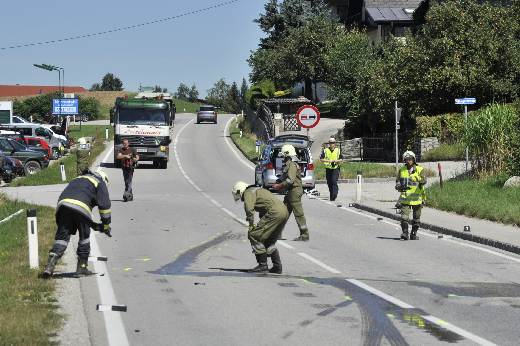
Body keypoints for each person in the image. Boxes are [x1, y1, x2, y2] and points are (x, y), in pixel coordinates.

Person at [42, 169, 112, 278]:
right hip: (81, 206)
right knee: (84, 237)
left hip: (63, 206)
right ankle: (82, 268)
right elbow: (105, 207)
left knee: (62, 238)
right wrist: (106, 225)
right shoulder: (99, 182)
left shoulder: (78, 179)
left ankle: (50, 265)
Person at [232, 181, 289, 273]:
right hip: (284, 212)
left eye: (240, 196)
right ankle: (277, 267)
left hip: (275, 213)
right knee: (268, 240)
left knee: (254, 235)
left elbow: (249, 209)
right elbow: (265, 206)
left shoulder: (248, 192)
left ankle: (262, 265)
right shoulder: (258, 190)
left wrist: (251, 224)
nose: (242, 199)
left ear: (240, 191)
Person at [273, 144, 310, 241]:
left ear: (287, 154)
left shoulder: (292, 164)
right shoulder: (288, 163)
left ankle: (304, 235)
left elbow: (290, 180)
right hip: (290, 192)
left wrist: (279, 186)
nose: (281, 156)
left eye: (283, 155)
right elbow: (285, 177)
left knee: (298, 214)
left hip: (294, 191)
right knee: (283, 213)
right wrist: (278, 181)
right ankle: (277, 234)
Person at [395, 150, 427, 240]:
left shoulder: (420, 169)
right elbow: (397, 181)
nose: (408, 161)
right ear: (404, 160)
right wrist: (398, 186)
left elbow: (424, 181)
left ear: (414, 159)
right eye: (406, 159)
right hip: (405, 199)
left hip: (417, 199)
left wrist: (416, 178)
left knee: (416, 219)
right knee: (404, 218)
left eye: (410, 159)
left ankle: (413, 233)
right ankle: (405, 233)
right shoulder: (402, 170)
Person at [320, 137, 343, 201]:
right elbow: (321, 159)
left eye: (333, 143)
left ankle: (334, 194)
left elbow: (341, 159)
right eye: (330, 143)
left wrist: (337, 161)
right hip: (328, 168)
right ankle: (331, 196)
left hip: (335, 168)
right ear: (329, 143)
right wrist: (328, 161)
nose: (331, 144)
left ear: (335, 143)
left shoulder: (338, 150)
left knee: (333, 181)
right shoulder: (325, 150)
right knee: (329, 183)